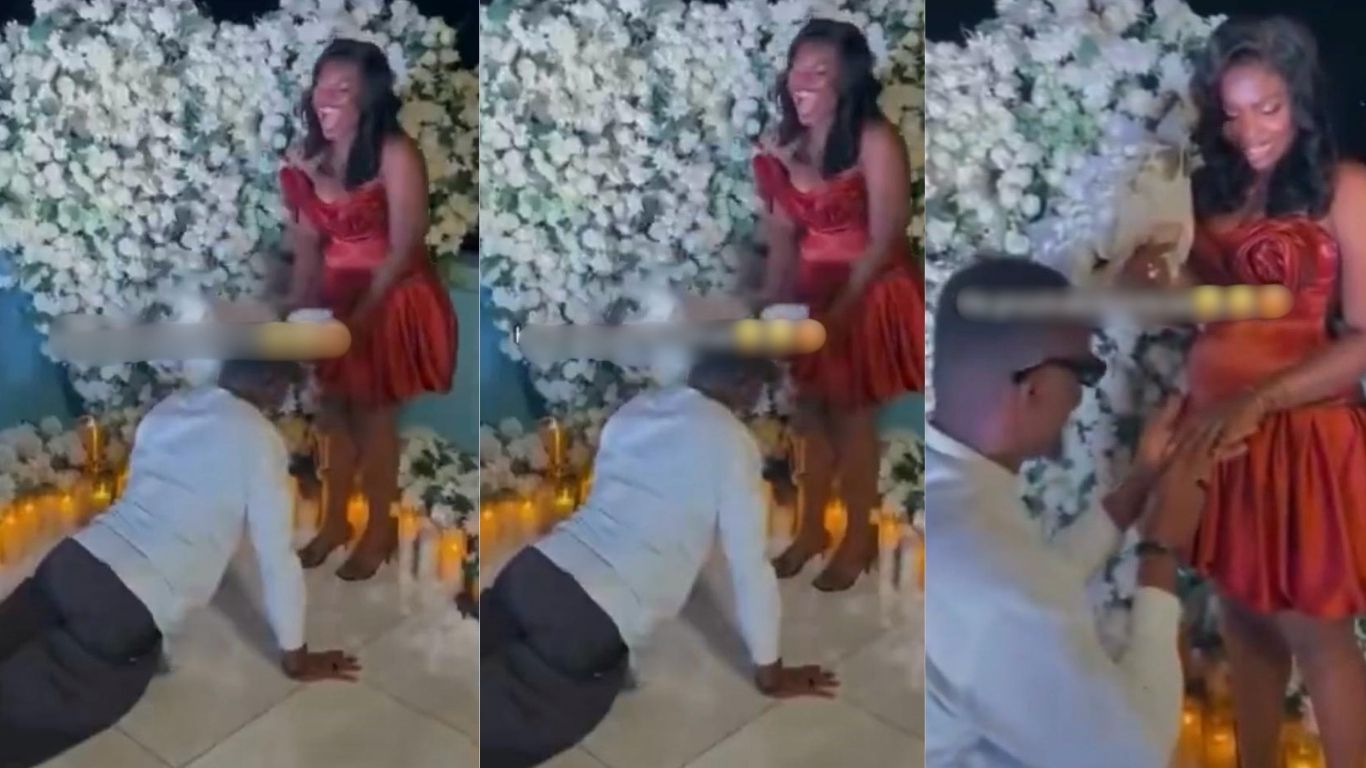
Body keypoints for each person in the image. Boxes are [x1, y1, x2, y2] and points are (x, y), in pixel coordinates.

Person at [1141, 17, 1366, 768]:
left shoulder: (1345, 188)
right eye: (1233, 113)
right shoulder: (1214, 188)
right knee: (1242, 618)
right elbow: (1199, 309)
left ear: (1300, 99)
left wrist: (1262, 399)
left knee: (1318, 636)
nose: (1249, 131)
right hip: (1219, 434)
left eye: (1267, 108)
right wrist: (1147, 276)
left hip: (1300, 436)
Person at [0, 322, 359, 767]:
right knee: (37, 715)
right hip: (127, 603)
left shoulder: (171, 407)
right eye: (287, 389)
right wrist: (296, 655)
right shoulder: (261, 440)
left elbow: (143, 492)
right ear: (271, 381)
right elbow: (276, 556)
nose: (285, 401)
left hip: (72, 561)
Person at [925, 257, 1230, 768]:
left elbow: (1043, 577)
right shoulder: (1000, 584)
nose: (1078, 399)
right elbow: (1134, 754)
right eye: (1085, 373)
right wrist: (1160, 551)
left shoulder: (948, 484)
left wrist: (1139, 484)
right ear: (1035, 387)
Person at [480, 352, 838, 768]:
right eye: (760, 389)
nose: (757, 403)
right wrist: (770, 672)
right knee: (507, 732)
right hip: (591, 613)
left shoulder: (638, 407)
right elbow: (749, 565)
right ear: (744, 383)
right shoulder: (733, 442)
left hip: (531, 571)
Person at [754, 18, 925, 592]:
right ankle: (810, 531)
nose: (800, 81)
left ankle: (858, 538)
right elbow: (782, 237)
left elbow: (885, 237)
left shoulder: (876, 140)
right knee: (807, 415)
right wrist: (773, 306)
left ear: (847, 80)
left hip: (867, 287)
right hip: (812, 286)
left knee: (852, 419)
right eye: (796, 67)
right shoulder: (784, 143)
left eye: (819, 71)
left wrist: (841, 310)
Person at [281, 38, 457, 581]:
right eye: (321, 85)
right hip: (335, 295)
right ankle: (334, 522)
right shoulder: (308, 155)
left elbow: (405, 246)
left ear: (369, 97)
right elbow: (307, 244)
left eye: (343, 89)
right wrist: (297, 314)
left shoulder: (395, 153)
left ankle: (378, 530)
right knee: (331, 415)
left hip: (389, 294)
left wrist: (359, 320)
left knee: (375, 419)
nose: (326, 98)